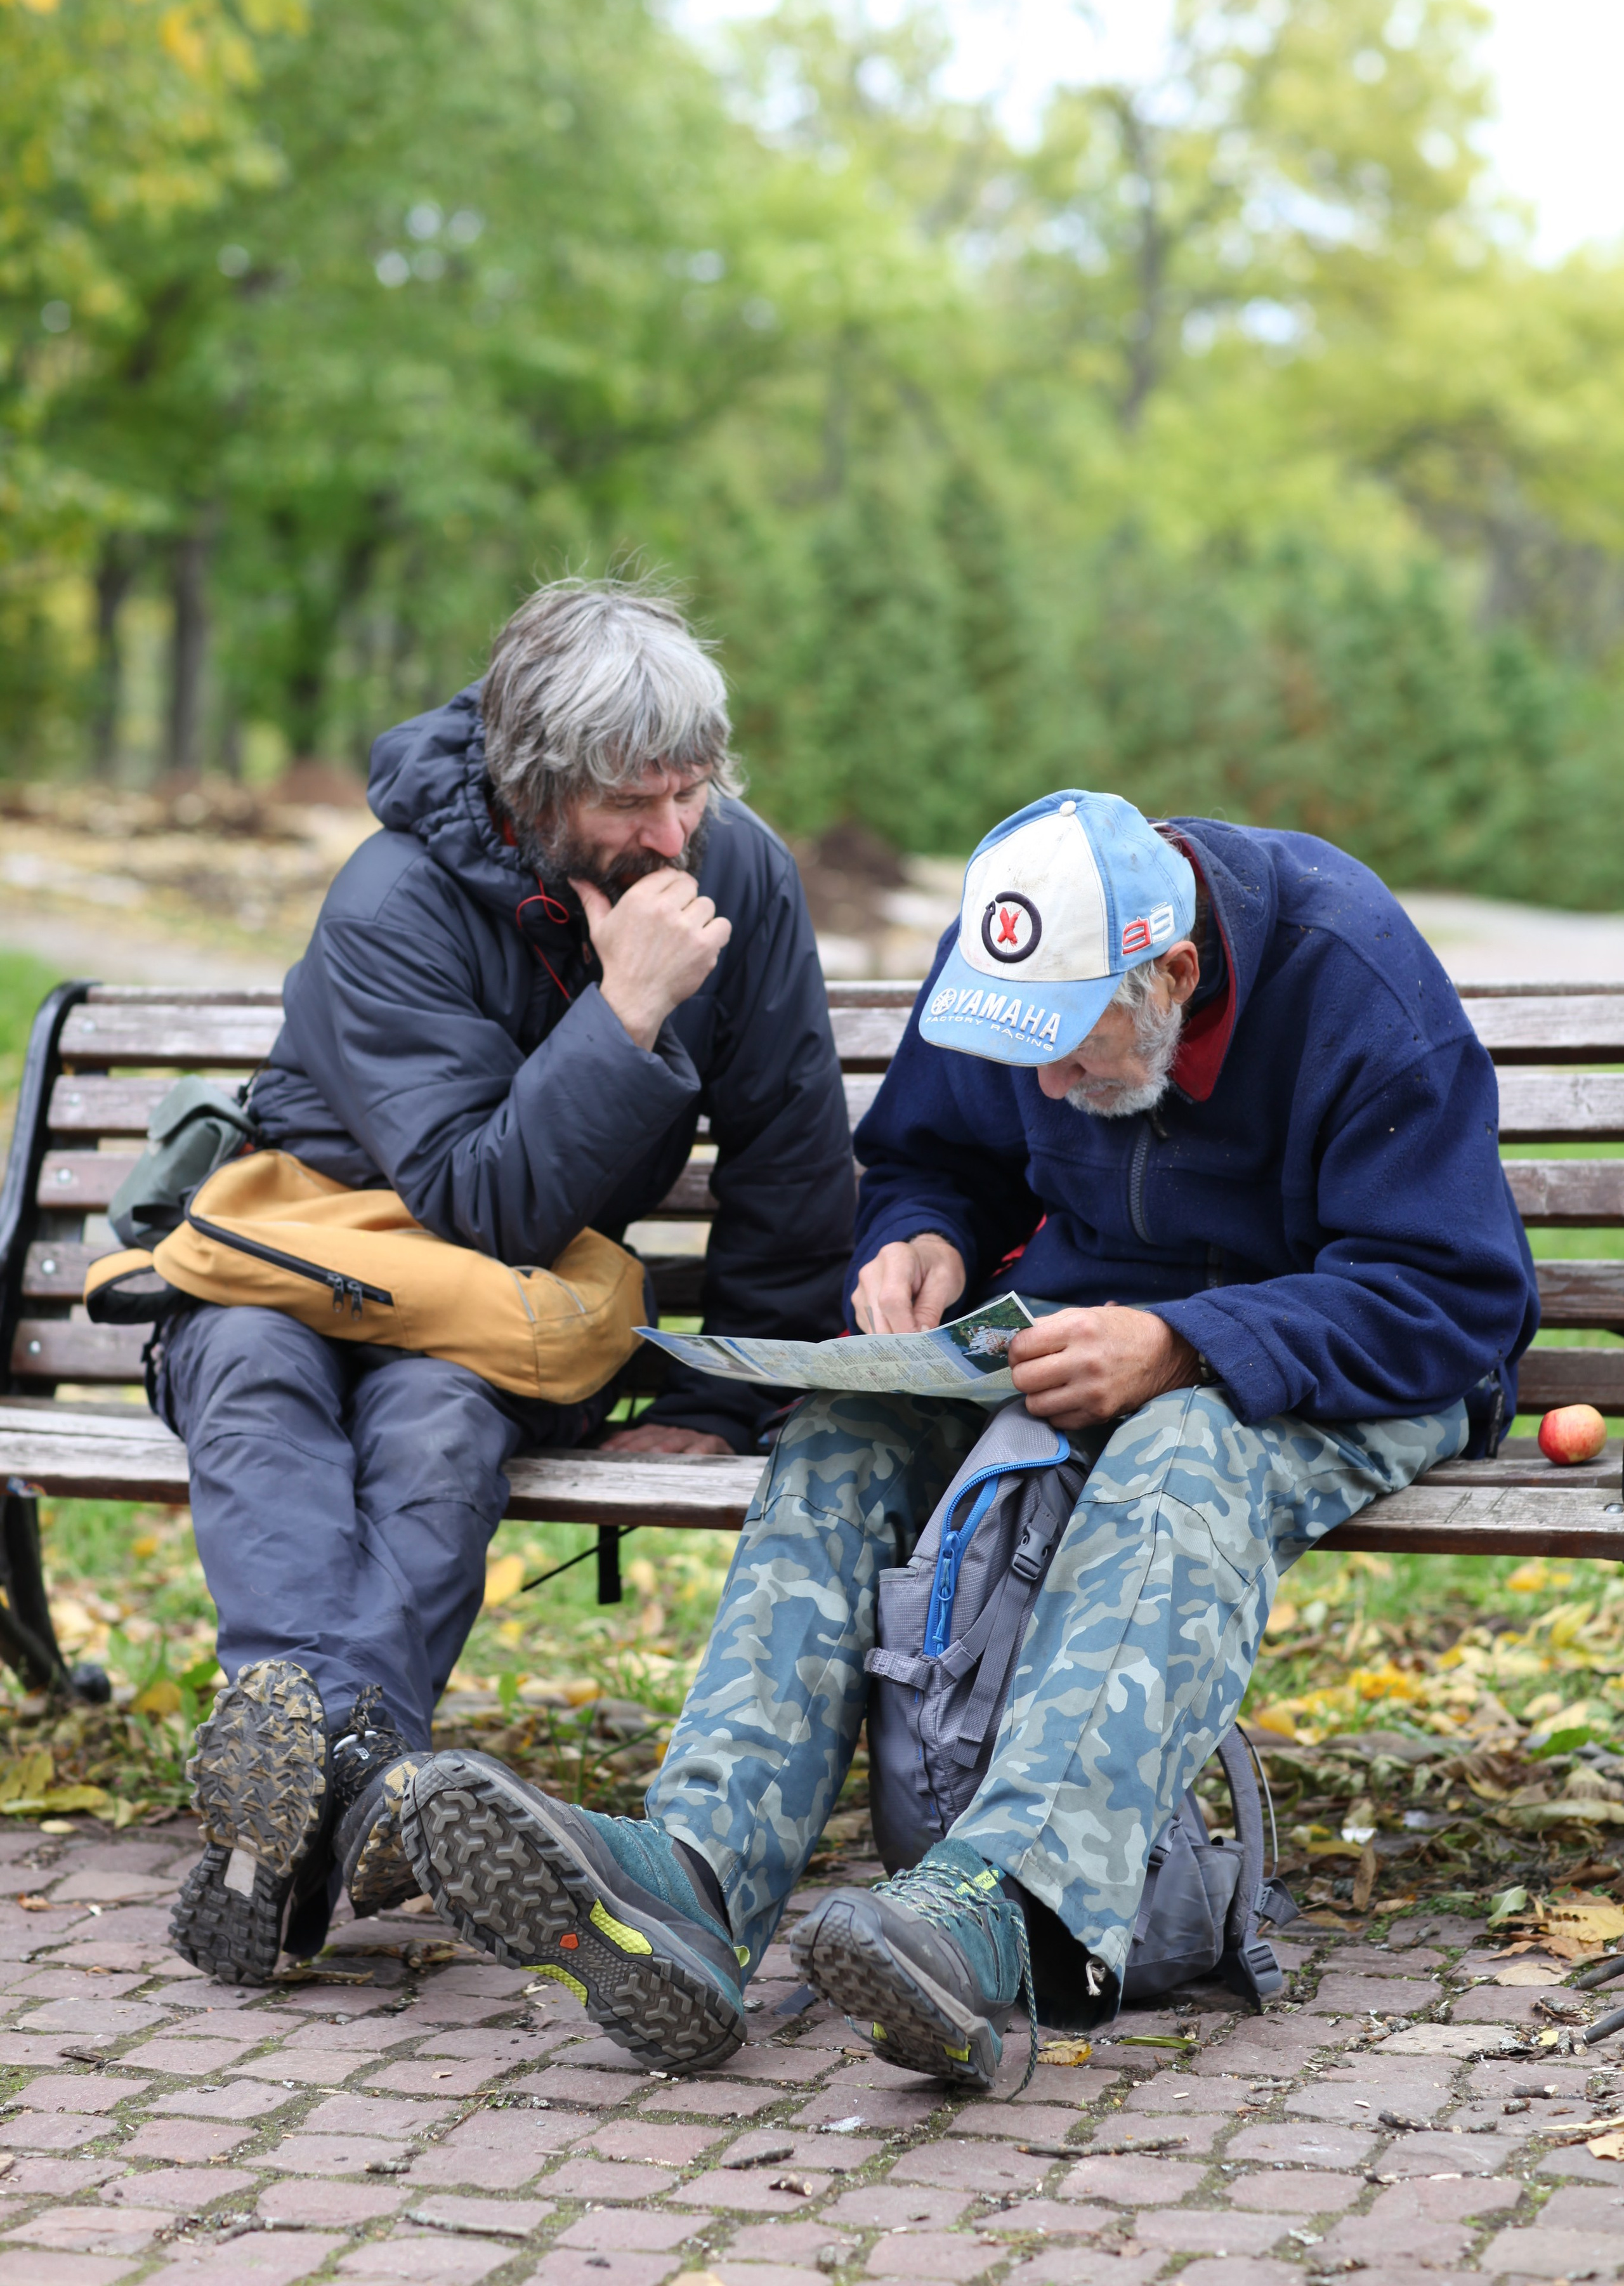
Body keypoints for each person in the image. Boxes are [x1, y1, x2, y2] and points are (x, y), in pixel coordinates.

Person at [398, 788, 1539, 2084]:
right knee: (847, 1420)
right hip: (1078, 1321)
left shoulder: (1348, 974)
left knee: (1182, 1447)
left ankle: (995, 1909)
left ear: (1168, 971)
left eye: (1073, 1048)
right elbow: (934, 1161)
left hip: (1349, 1351)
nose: (1045, 1084)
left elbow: (1450, 1293)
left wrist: (1183, 1345)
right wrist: (916, 1243)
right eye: (1026, 1052)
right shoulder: (1015, 952)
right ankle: (699, 1877)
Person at [157, 578, 853, 1985]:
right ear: (532, 788)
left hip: (484, 1325)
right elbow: (480, 1198)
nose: (669, 837)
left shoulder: (742, 875)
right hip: (301, 1268)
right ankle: (349, 1782)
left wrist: (725, 1409)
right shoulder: (393, 897)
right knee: (247, 1379)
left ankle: (288, 1825)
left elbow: (788, 1160)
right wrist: (627, 1010)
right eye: (628, 804)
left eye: (690, 790)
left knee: (436, 1425)